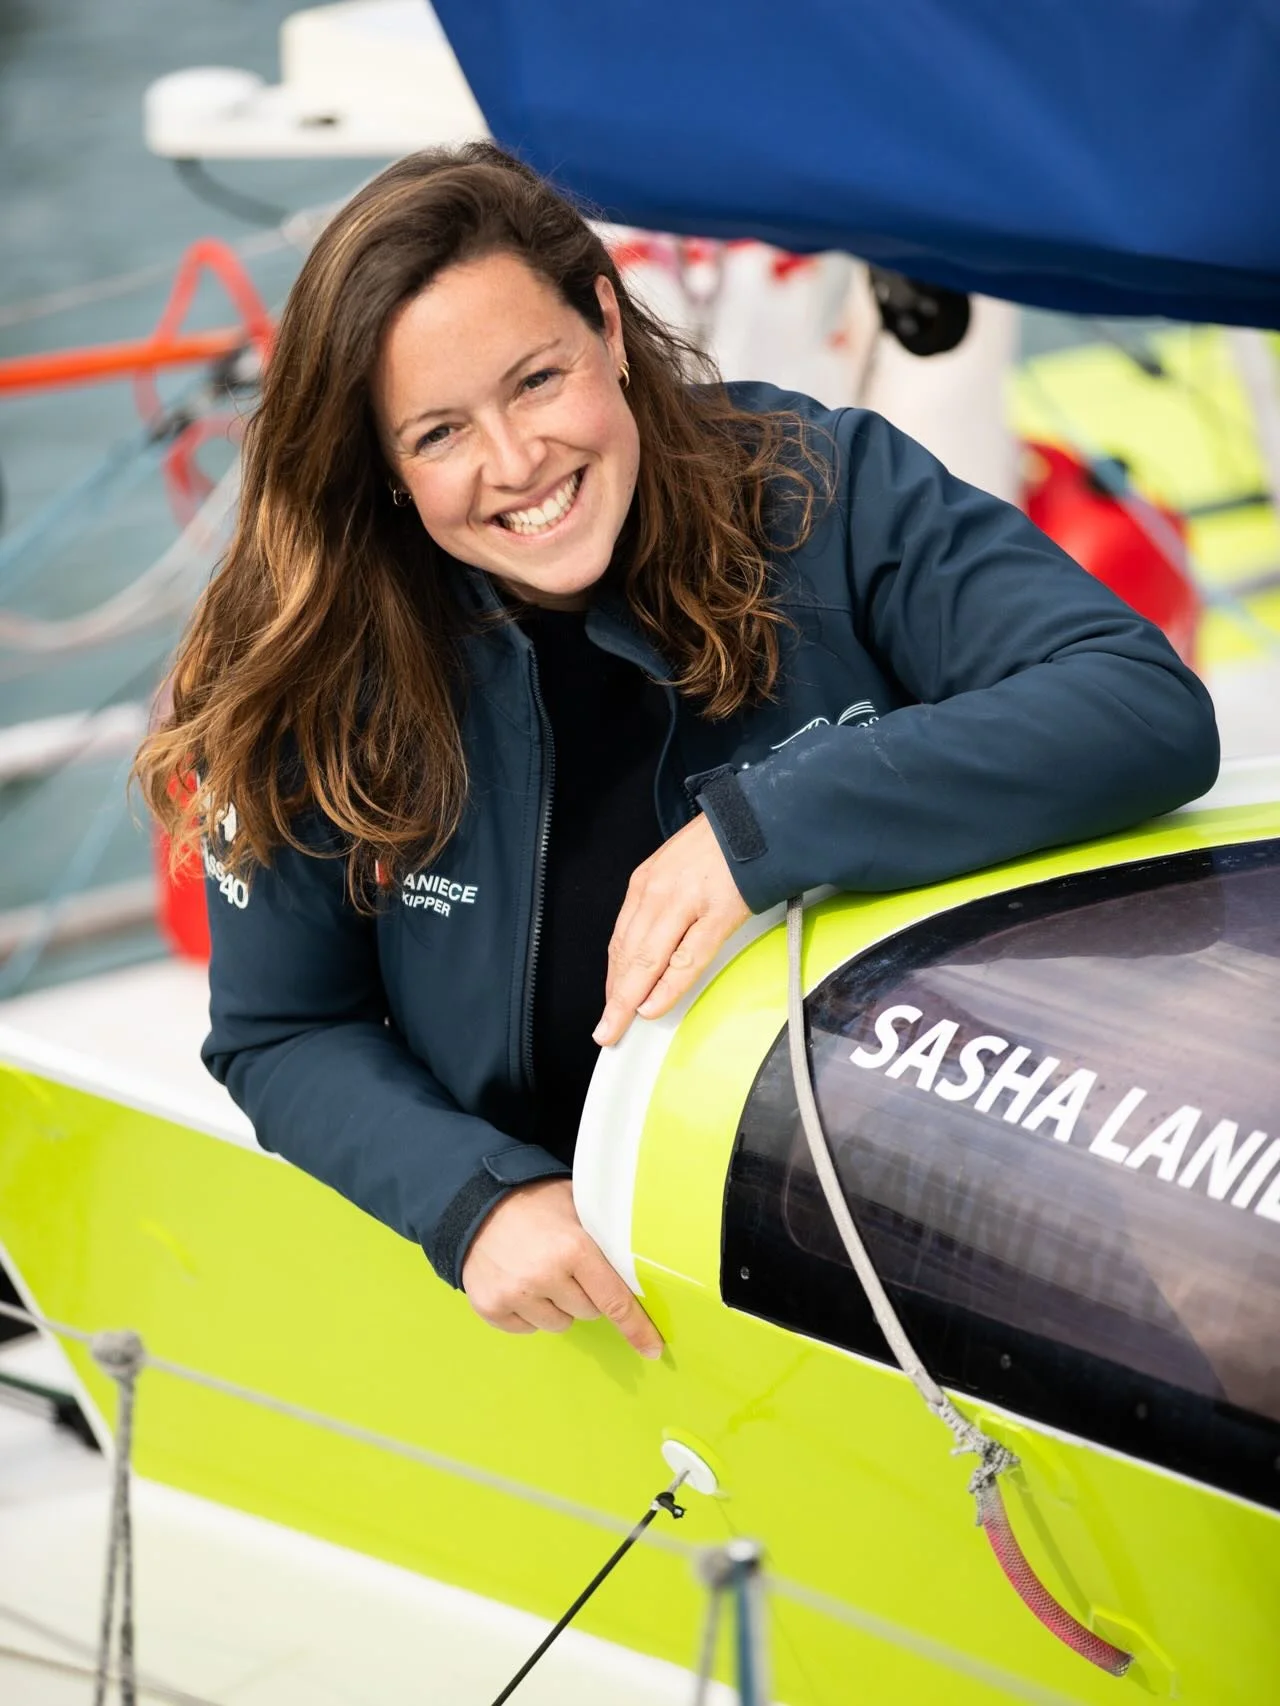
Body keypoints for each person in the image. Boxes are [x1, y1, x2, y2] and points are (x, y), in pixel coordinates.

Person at [135, 142, 1219, 1362]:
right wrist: (473, 1198)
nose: (515, 462)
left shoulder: (823, 487)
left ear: (604, 320)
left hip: (962, 1224)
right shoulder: (306, 650)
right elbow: (281, 1026)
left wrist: (758, 832)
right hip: (598, 1311)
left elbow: (1135, 703)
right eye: (439, 432)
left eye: (536, 379)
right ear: (381, 461)